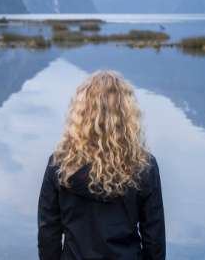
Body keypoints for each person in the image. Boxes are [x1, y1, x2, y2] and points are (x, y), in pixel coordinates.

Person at [38, 70, 166, 260]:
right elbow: (154, 239)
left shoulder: (60, 164)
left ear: (81, 113)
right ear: (127, 114)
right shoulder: (144, 166)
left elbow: (48, 233)